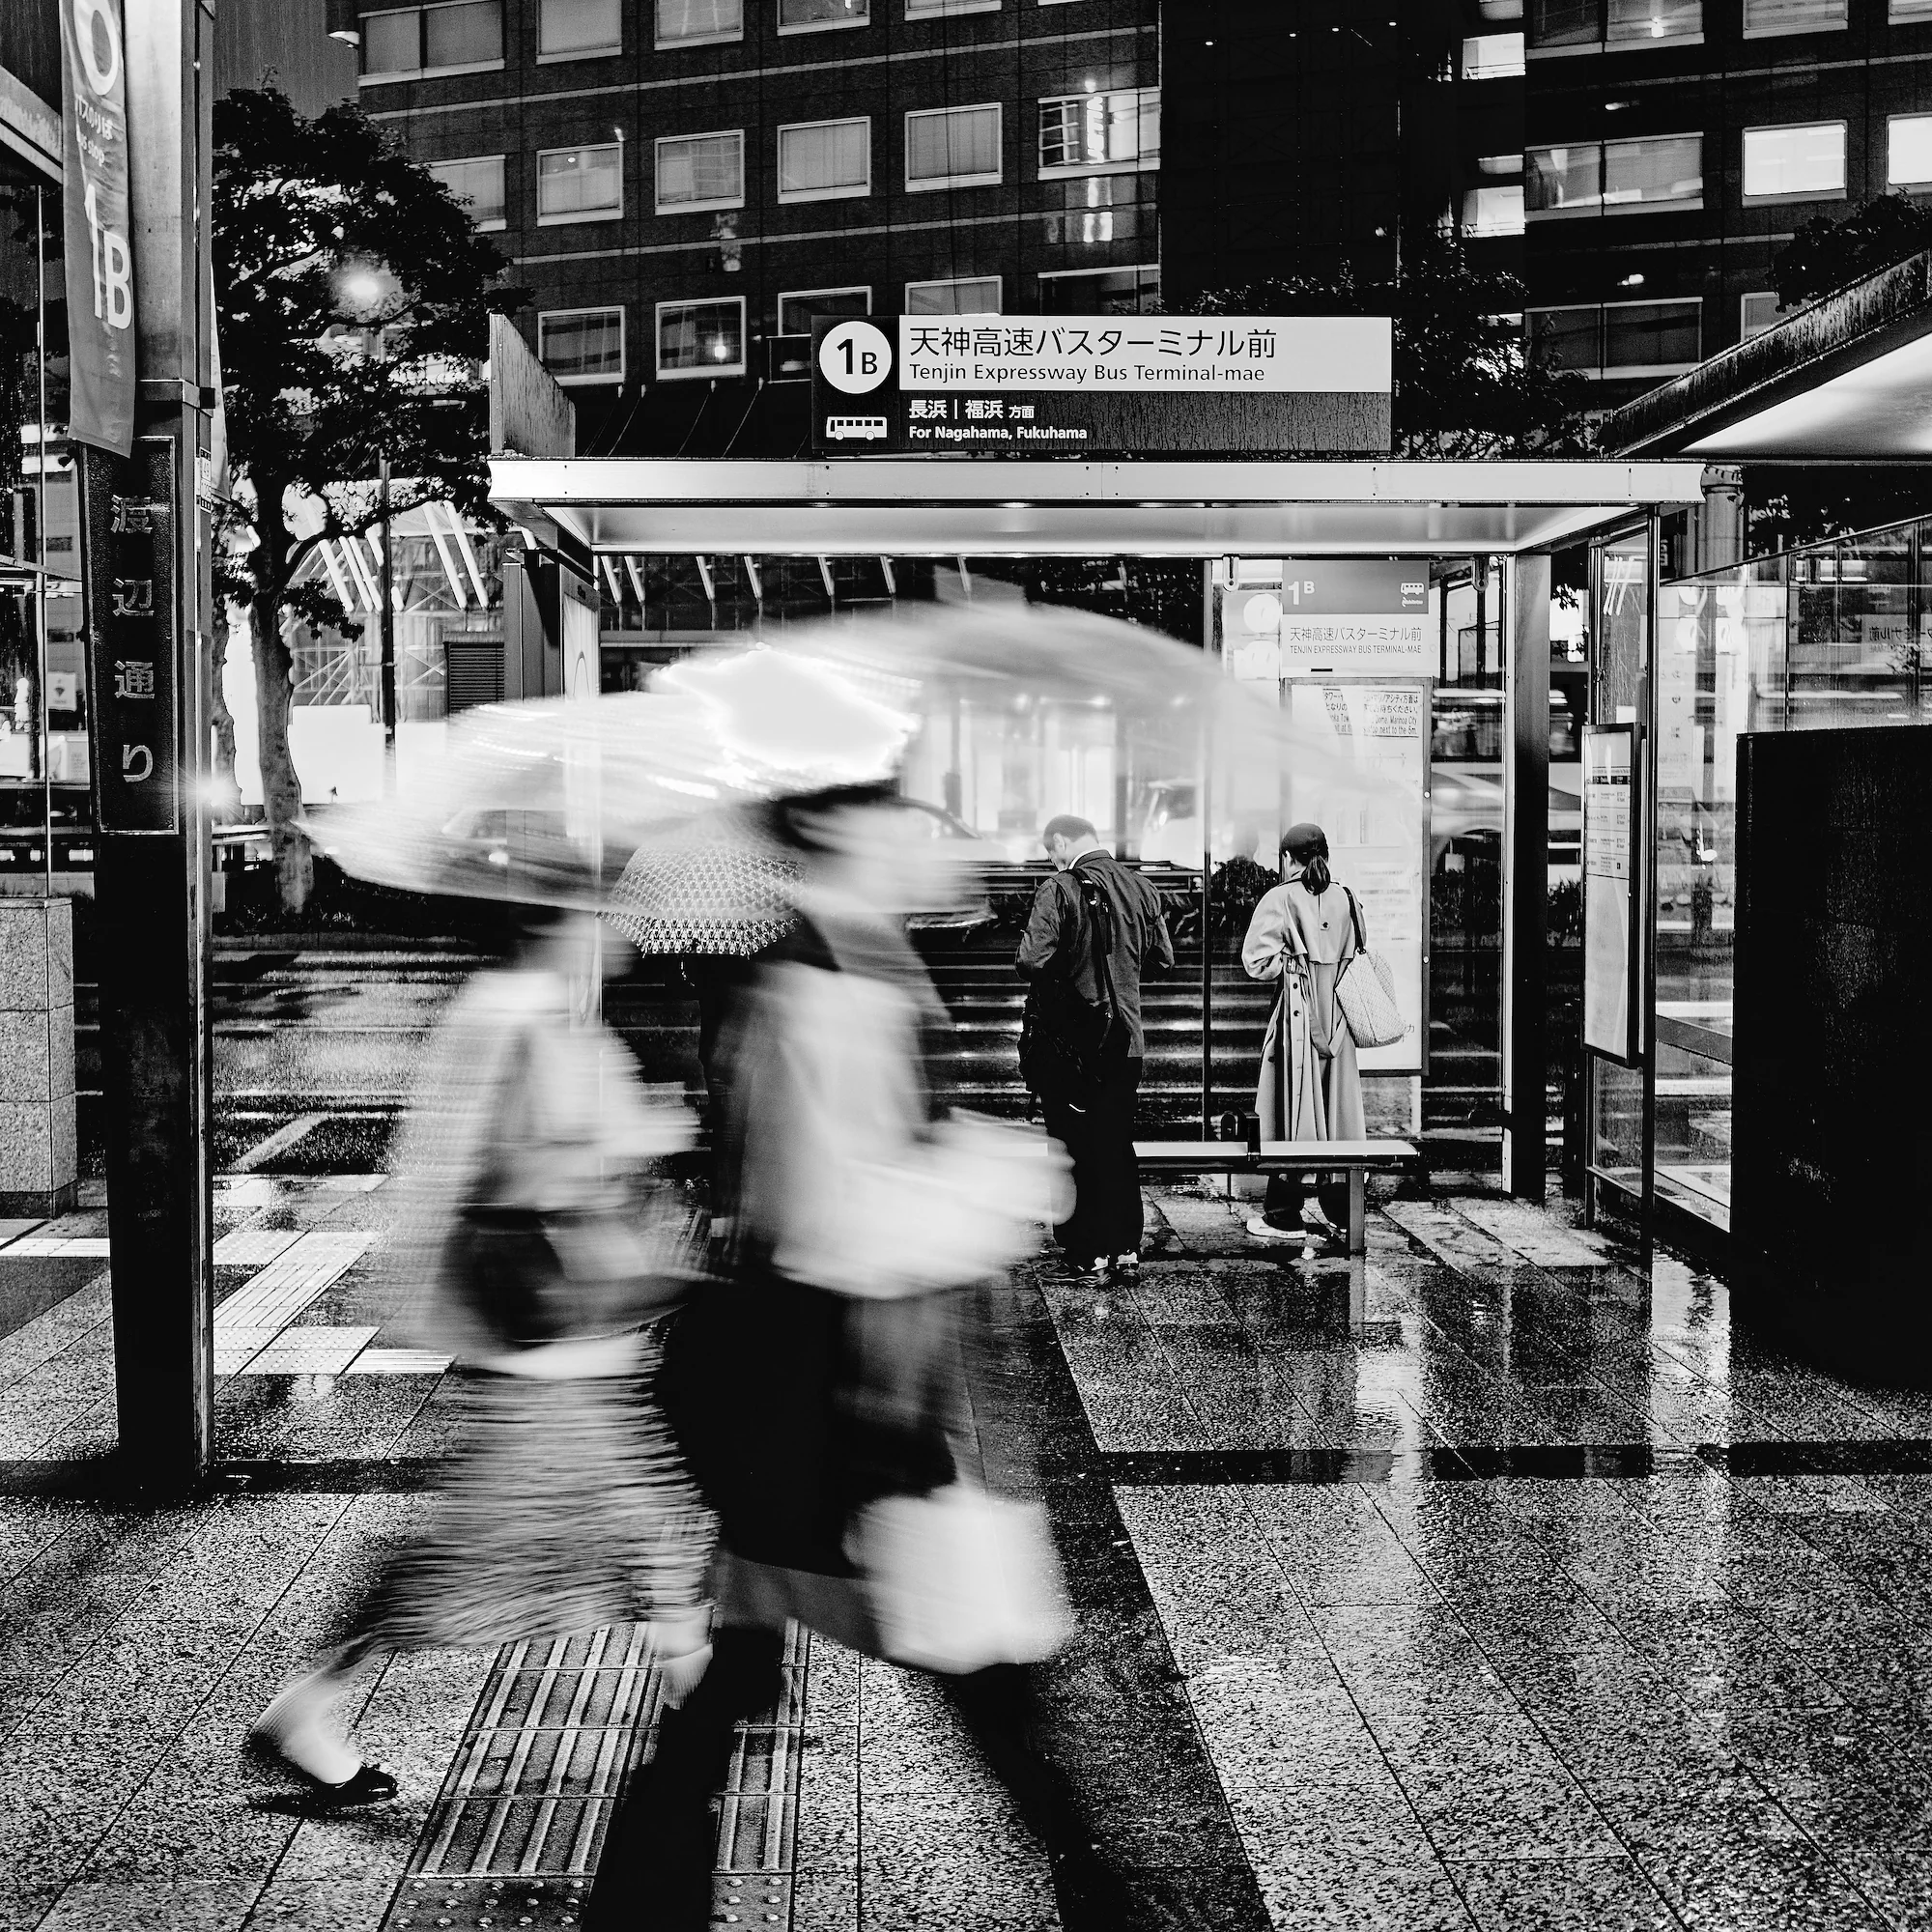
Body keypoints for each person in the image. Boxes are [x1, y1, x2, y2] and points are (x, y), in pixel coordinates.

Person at [584, 787, 1121, 1932]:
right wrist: (984, 1185)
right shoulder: (827, 978)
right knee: (972, 1663)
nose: (922, 841)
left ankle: (639, 1898)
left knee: (746, 1664)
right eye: (896, 822)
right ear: (837, 839)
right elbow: (827, 1211)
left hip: (807, 1373)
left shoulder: (825, 961)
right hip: (836, 1378)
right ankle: (1105, 1885)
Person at [242, 912, 714, 1806]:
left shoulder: (523, 1013)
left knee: (617, 1529)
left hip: (558, 1339)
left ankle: (701, 1703)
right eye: (596, 914)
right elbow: (518, 1174)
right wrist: (636, 1140)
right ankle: (702, 1711)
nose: (618, 932)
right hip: (553, 1342)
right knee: (567, 1541)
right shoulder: (526, 1019)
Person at [1016, 813, 1174, 1280]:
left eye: (1052, 850)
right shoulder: (1141, 886)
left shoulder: (1059, 888)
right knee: (1116, 1141)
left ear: (1061, 842)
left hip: (1074, 1045)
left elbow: (1030, 960)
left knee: (1074, 1144)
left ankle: (1088, 1251)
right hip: (1127, 1043)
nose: (1052, 858)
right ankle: (1125, 1246)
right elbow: (1164, 958)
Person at [1242, 822, 1366, 1249]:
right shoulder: (1346, 898)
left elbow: (1257, 963)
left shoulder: (1280, 898)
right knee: (1337, 1113)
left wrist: (1292, 966)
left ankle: (1284, 1214)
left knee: (1292, 1109)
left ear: (1286, 859)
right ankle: (1343, 1214)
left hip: (1299, 1017)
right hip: (1339, 1018)